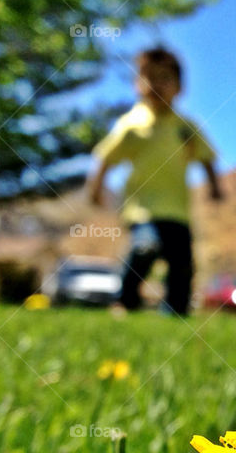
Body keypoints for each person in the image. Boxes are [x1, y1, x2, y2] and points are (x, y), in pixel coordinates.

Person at [88, 47, 223, 315]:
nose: (156, 84)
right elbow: (106, 157)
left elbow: (206, 157)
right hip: (142, 209)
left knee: (182, 263)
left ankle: (175, 311)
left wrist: (214, 186)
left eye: (165, 78)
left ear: (180, 87)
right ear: (138, 83)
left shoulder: (186, 127)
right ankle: (125, 301)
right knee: (145, 247)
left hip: (177, 210)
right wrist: (95, 189)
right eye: (149, 77)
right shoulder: (132, 125)